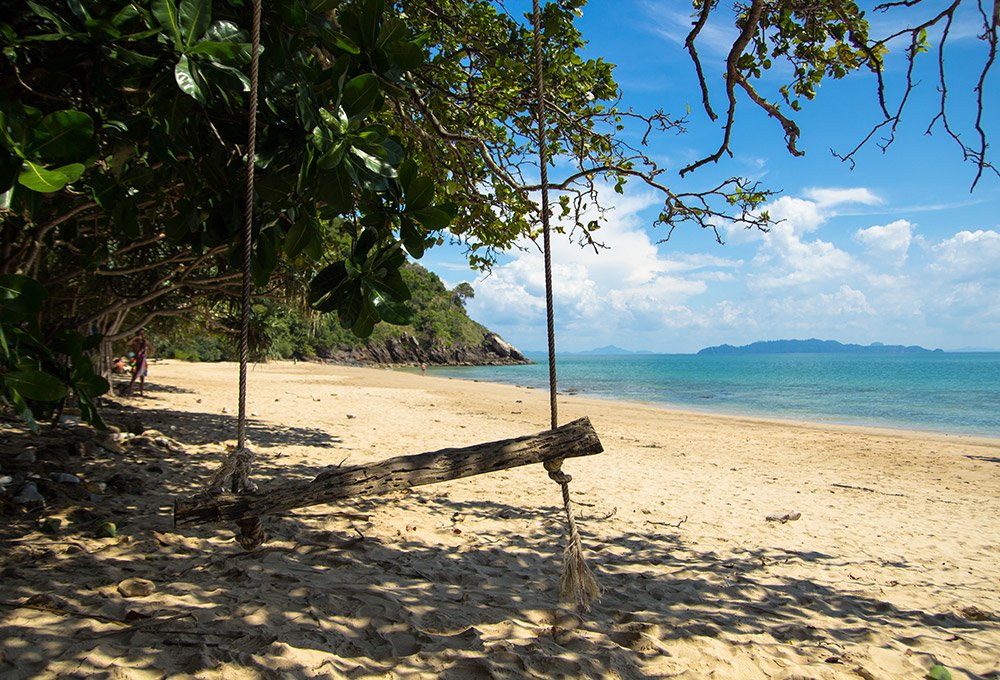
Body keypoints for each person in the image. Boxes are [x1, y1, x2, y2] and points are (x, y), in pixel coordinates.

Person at [127, 329, 152, 397]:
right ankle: (130, 392)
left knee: (142, 377)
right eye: (140, 333)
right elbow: (128, 343)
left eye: (142, 333)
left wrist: (146, 354)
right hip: (136, 361)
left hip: (143, 361)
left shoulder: (145, 342)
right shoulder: (135, 342)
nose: (141, 335)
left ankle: (141, 392)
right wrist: (136, 338)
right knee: (134, 376)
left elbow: (151, 349)